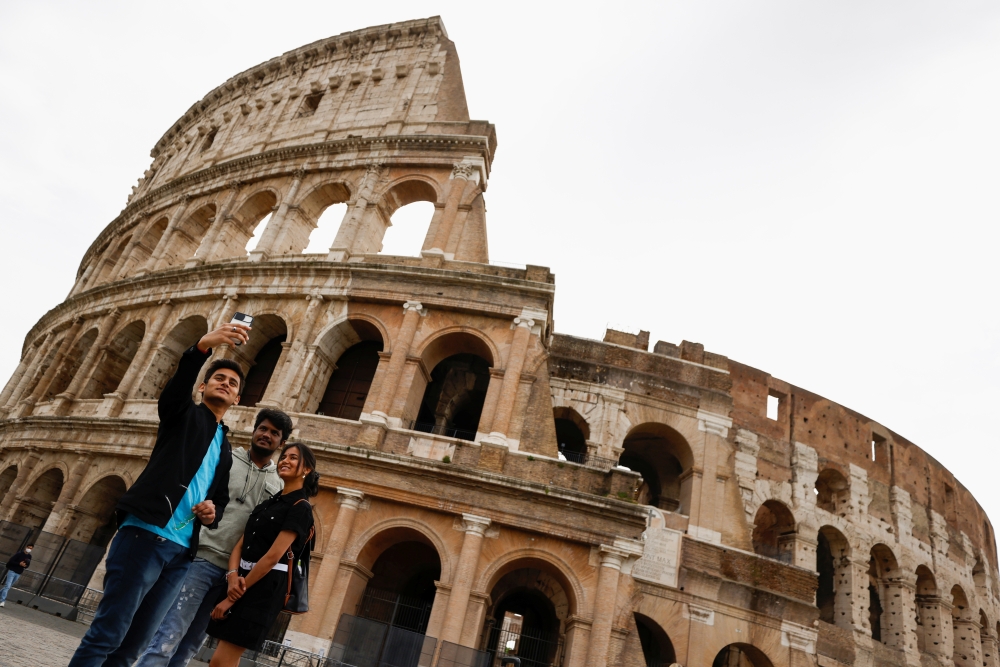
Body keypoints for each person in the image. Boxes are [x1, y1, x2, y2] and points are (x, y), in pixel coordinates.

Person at [69, 319, 252, 667]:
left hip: (182, 553)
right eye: (218, 378)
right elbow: (175, 389)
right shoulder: (182, 415)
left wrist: (212, 510)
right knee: (108, 634)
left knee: (133, 646)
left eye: (232, 383)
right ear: (202, 387)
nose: (225, 384)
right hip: (145, 534)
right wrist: (201, 348)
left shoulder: (225, 445)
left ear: (238, 398)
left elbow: (220, 500)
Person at [135, 408, 293, 667]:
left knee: (192, 644)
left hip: (235, 574)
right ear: (254, 431)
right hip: (202, 558)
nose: (266, 435)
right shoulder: (226, 460)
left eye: (274, 433)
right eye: (262, 429)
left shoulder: (279, 482)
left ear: (282, 442)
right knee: (169, 635)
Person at [206, 442, 318, 667]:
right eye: (284, 456)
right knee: (225, 658)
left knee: (220, 661)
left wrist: (232, 596)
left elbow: (273, 556)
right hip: (240, 579)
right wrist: (232, 576)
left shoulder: (300, 507)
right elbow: (240, 544)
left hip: (264, 588)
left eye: (293, 458)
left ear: (307, 469)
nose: (285, 460)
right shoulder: (269, 503)